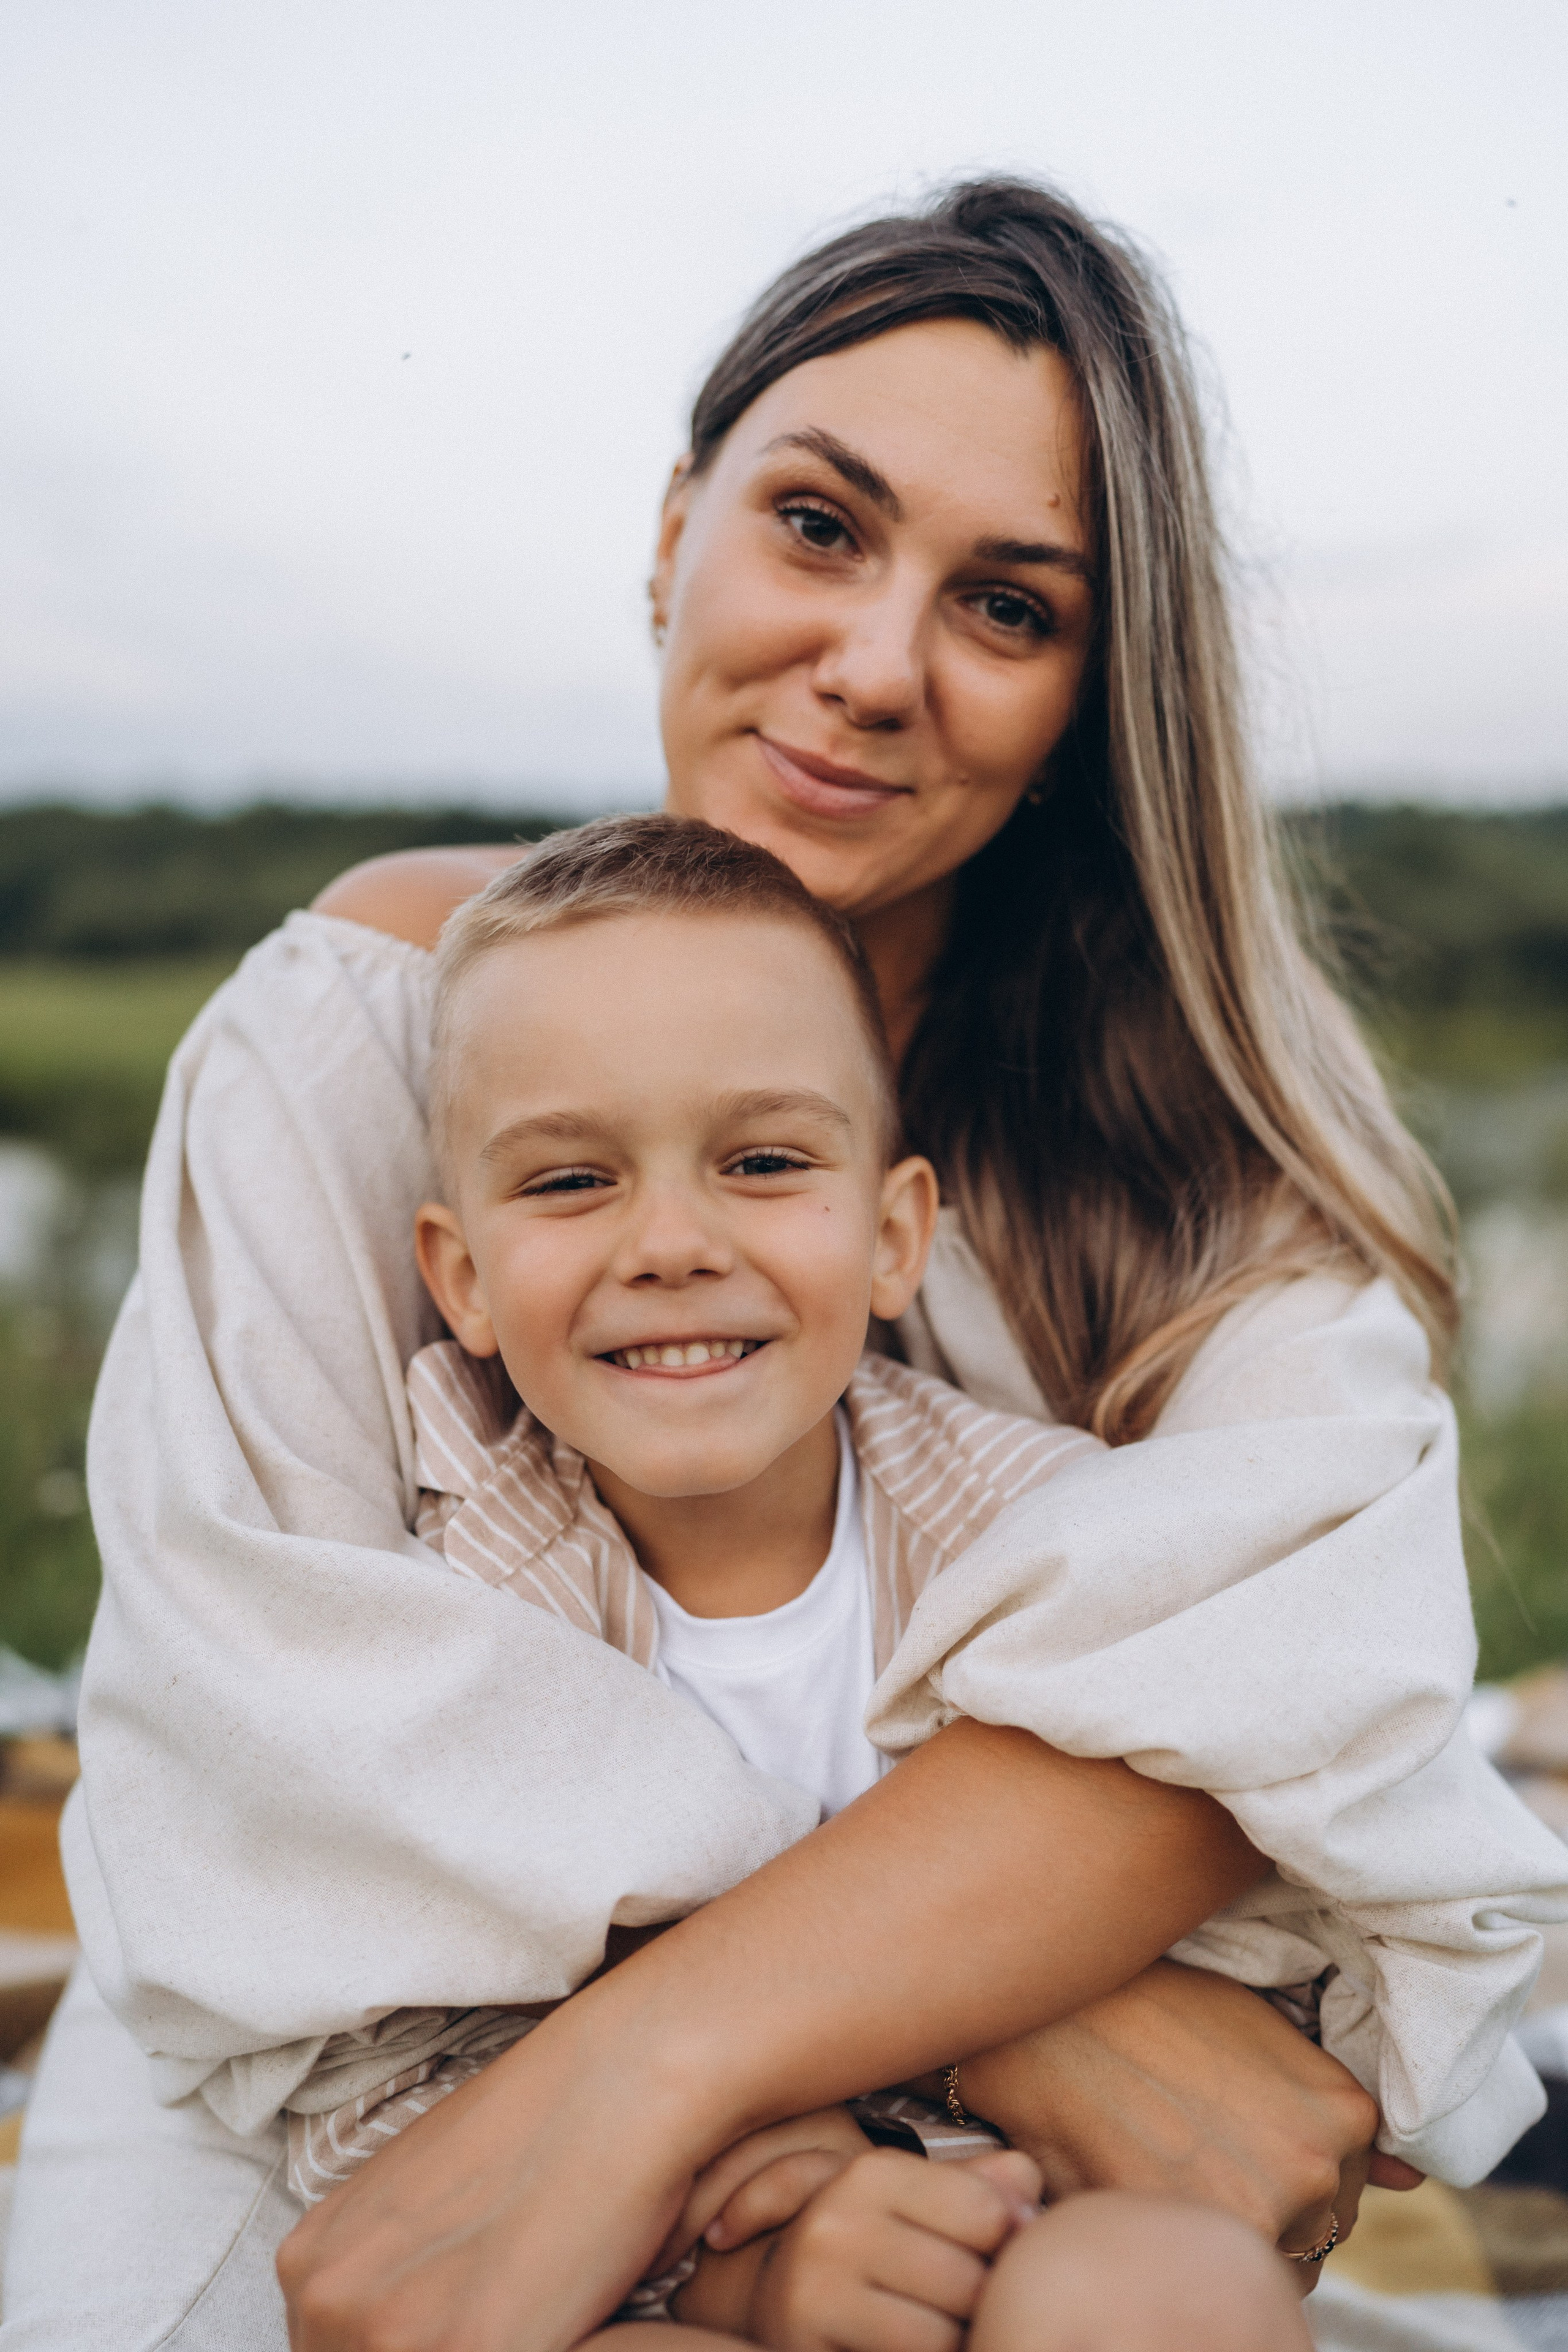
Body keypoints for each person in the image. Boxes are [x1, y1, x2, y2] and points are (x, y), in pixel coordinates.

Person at [4, 178, 1562, 2352]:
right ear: (674, 529)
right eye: (820, 526)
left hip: (965, 2188)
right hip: (340, 2074)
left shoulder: (1213, 1166)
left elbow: (1290, 1686)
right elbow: (276, 1732)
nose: (870, 665)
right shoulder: (369, 1015)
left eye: (1008, 607)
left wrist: (695, 2040)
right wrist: (1046, 2001)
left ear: (1092, 696)